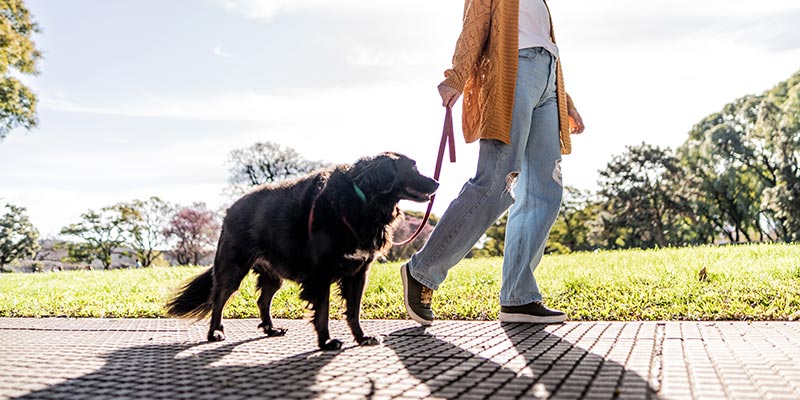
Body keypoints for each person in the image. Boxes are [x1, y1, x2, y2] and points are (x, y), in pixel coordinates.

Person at [401, 0, 585, 325]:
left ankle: (519, 297)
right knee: (495, 185)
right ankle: (422, 272)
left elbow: (542, 40)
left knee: (545, 191)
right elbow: (474, 28)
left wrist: (565, 100)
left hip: (548, 79)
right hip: (513, 73)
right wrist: (456, 76)